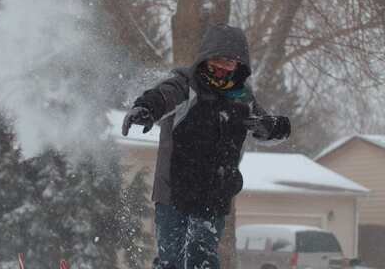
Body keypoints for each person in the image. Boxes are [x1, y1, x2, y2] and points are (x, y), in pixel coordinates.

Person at [122, 23, 291, 269]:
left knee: (203, 258)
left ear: (239, 66)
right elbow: (163, 96)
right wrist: (146, 108)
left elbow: (266, 128)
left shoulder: (242, 97)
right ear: (205, 59)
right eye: (217, 62)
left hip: (214, 194)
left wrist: (275, 126)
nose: (222, 69)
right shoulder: (186, 85)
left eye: (229, 64)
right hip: (173, 191)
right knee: (173, 260)